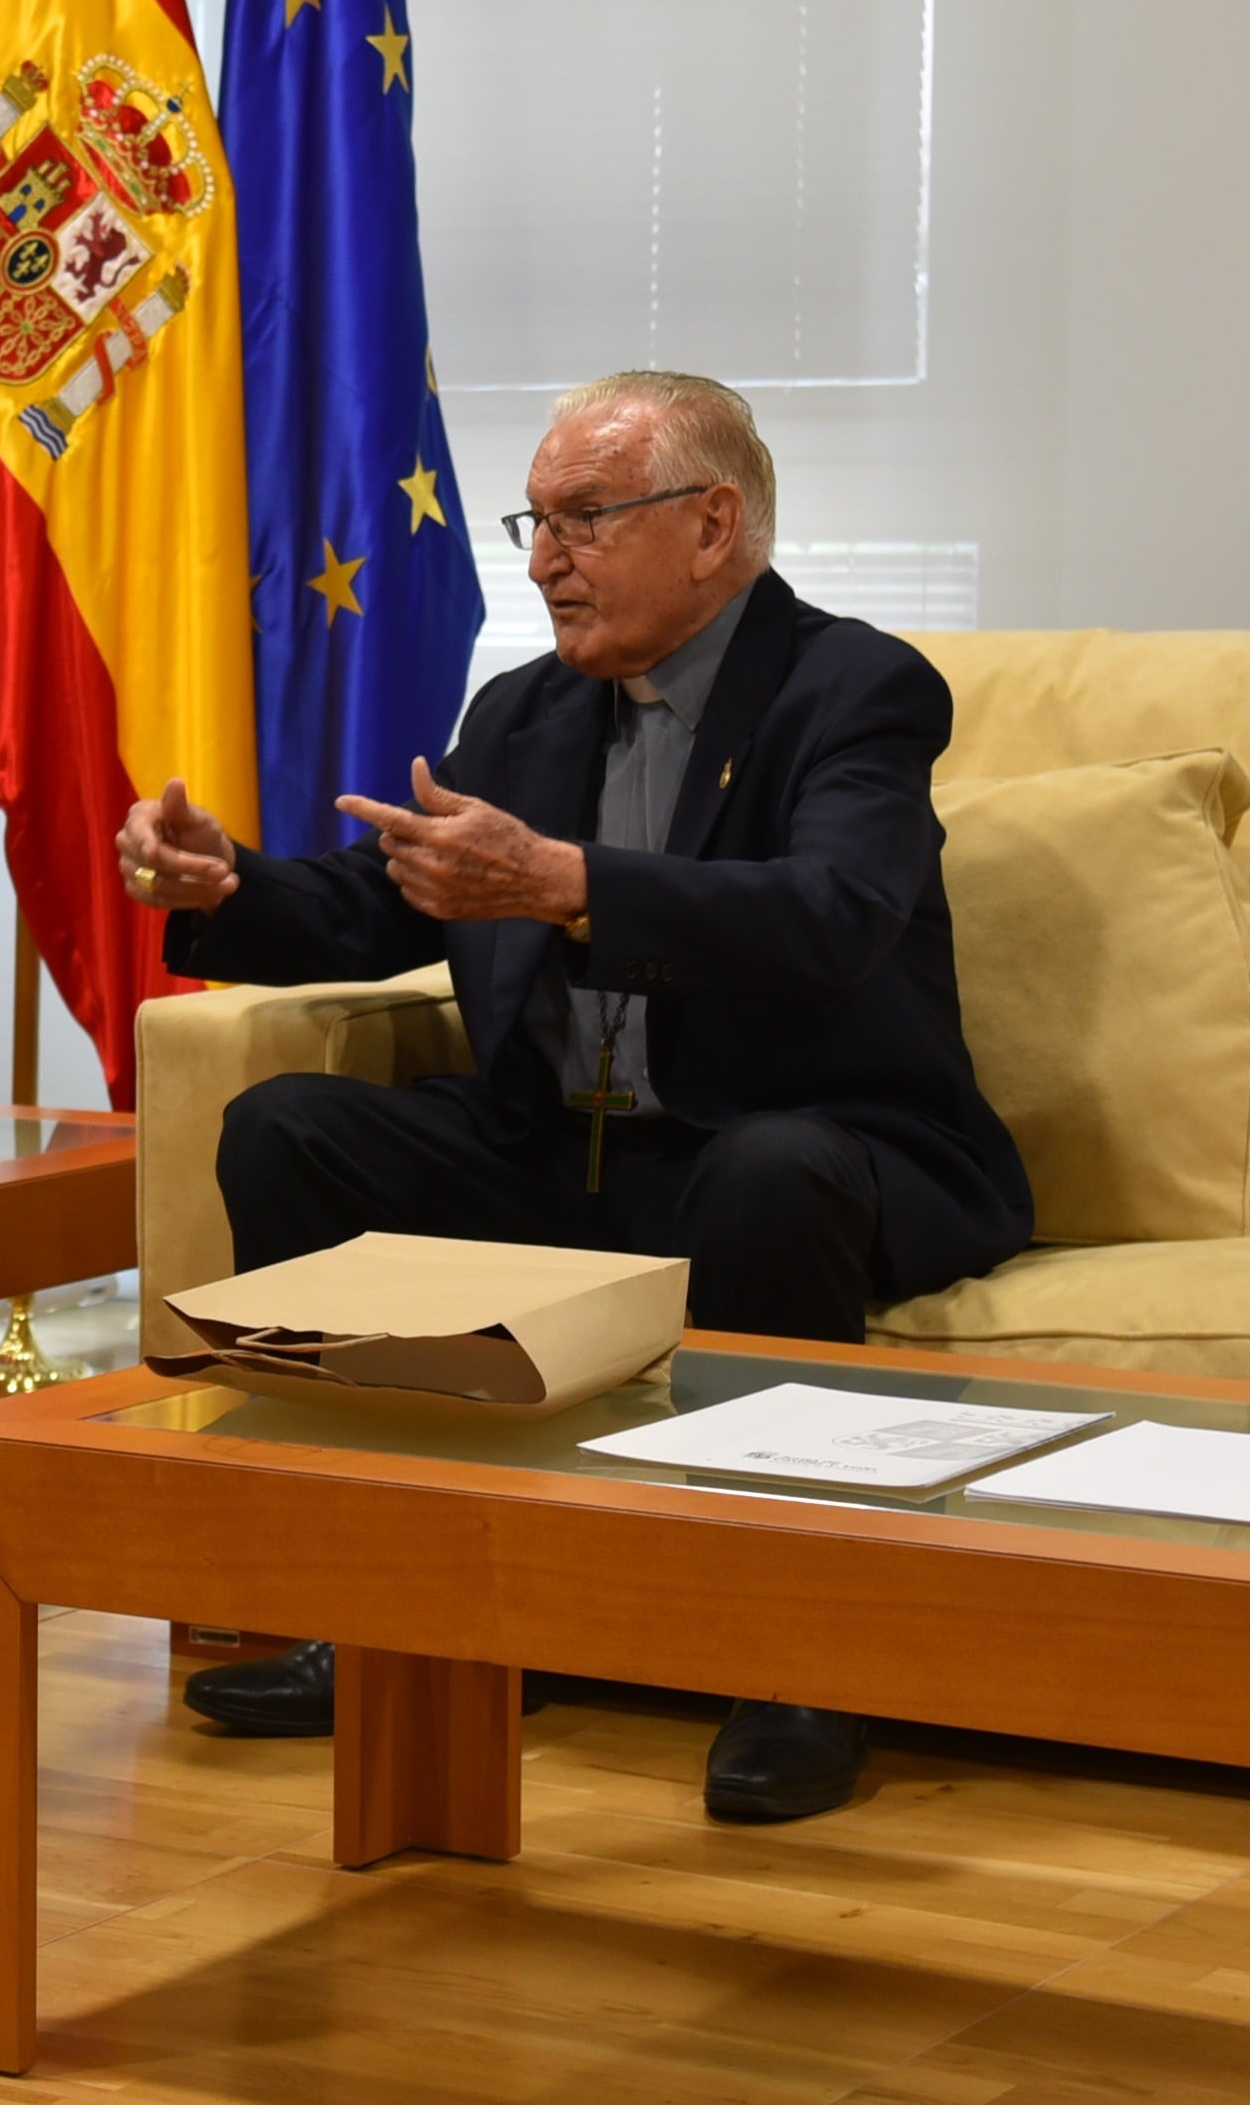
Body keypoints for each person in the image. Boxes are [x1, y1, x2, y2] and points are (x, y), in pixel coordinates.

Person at [117, 370, 1030, 1823]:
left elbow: (832, 913)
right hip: (567, 1156)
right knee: (288, 1129)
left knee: (771, 1174)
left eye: (583, 521)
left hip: (794, 1142)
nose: (542, 561)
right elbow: (389, 904)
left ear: (714, 523)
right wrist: (233, 888)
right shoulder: (527, 711)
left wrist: (574, 886)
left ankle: (795, 1661)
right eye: (532, 522)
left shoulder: (855, 689)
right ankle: (400, 1621)